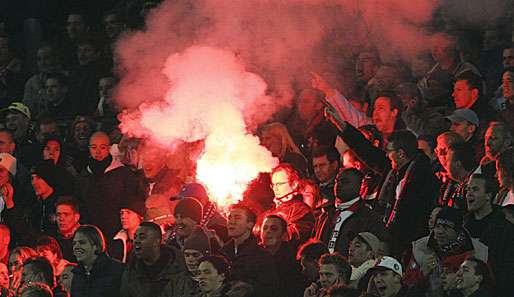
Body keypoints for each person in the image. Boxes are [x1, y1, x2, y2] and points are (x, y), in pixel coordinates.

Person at [326, 105, 439, 256]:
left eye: (389, 151)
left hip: (407, 247)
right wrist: (341, 124)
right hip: (386, 238)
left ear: (400, 154)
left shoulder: (424, 179)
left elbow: (416, 220)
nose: (386, 154)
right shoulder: (392, 170)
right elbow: (365, 149)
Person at [403, 207, 488, 296]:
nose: (440, 231)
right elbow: (406, 282)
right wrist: (422, 273)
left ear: (457, 231)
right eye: (437, 226)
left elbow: (487, 285)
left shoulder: (477, 251)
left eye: (446, 227)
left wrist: (458, 280)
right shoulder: (421, 248)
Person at [77, 131, 145, 238]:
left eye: (102, 147)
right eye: (94, 147)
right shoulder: (84, 175)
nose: (98, 152)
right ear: (89, 149)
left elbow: (133, 204)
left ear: (109, 148)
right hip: (92, 234)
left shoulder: (123, 174)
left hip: (117, 233)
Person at [313, 168, 387, 256]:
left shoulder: (369, 218)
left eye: (345, 182)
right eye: (337, 181)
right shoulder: (325, 215)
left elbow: (381, 249)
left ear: (360, 185)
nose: (339, 185)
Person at [220, 203, 279, 297]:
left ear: (250, 224)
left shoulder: (262, 257)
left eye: (237, 218)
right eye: (229, 218)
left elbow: (268, 290)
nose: (231, 221)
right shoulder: (222, 253)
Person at [120, 222, 192, 297]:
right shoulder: (131, 272)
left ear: (156, 241)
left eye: (142, 237)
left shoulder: (179, 271)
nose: (136, 241)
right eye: (135, 237)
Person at [262, 163, 314, 245]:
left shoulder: (301, 210)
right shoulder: (270, 211)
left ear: (294, 184)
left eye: (279, 184)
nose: (275, 188)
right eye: (273, 185)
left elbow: (294, 236)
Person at [71, 225, 124, 297]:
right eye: (74, 243)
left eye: (82, 242)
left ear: (96, 246)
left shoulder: (116, 270)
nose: (76, 247)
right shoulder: (77, 274)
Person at [260, 214, 306, 297]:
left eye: (274, 228)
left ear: (284, 235)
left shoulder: (294, 258)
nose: (268, 231)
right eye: (265, 228)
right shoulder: (252, 255)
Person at [438, 142, 478, 210]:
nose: (444, 164)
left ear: (457, 164)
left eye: (447, 161)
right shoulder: (451, 183)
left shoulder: (473, 186)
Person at [463, 174, 502, 238]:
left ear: (488, 195)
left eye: (475, 189)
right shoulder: (464, 224)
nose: (469, 194)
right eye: (468, 189)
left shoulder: (502, 222)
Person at [110, 199, 145, 263]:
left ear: (140, 216)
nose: (123, 216)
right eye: (121, 213)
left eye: (128, 212)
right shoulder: (117, 242)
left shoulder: (148, 242)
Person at [50, 197, 81, 262]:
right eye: (58, 214)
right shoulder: (52, 239)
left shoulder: (87, 236)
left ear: (76, 217)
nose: (61, 219)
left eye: (66, 214)